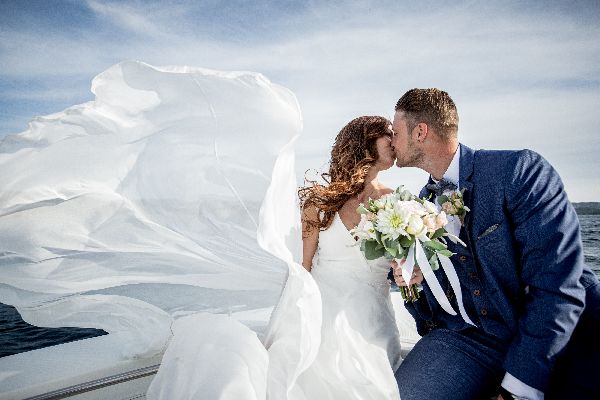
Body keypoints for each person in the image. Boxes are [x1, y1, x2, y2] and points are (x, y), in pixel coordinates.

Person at [389, 88, 600, 400]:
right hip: (470, 338)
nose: (391, 141)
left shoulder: (518, 172)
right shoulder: (422, 201)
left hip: (557, 336)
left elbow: (557, 284)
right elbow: (444, 287)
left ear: (420, 132)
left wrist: (515, 391)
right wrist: (416, 282)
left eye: (395, 132)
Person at [270, 115, 407, 399]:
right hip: (320, 311)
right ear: (367, 142)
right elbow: (303, 268)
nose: (395, 142)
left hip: (372, 318)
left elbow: (405, 268)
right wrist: (286, 323)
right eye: (388, 135)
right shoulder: (319, 203)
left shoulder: (400, 203)